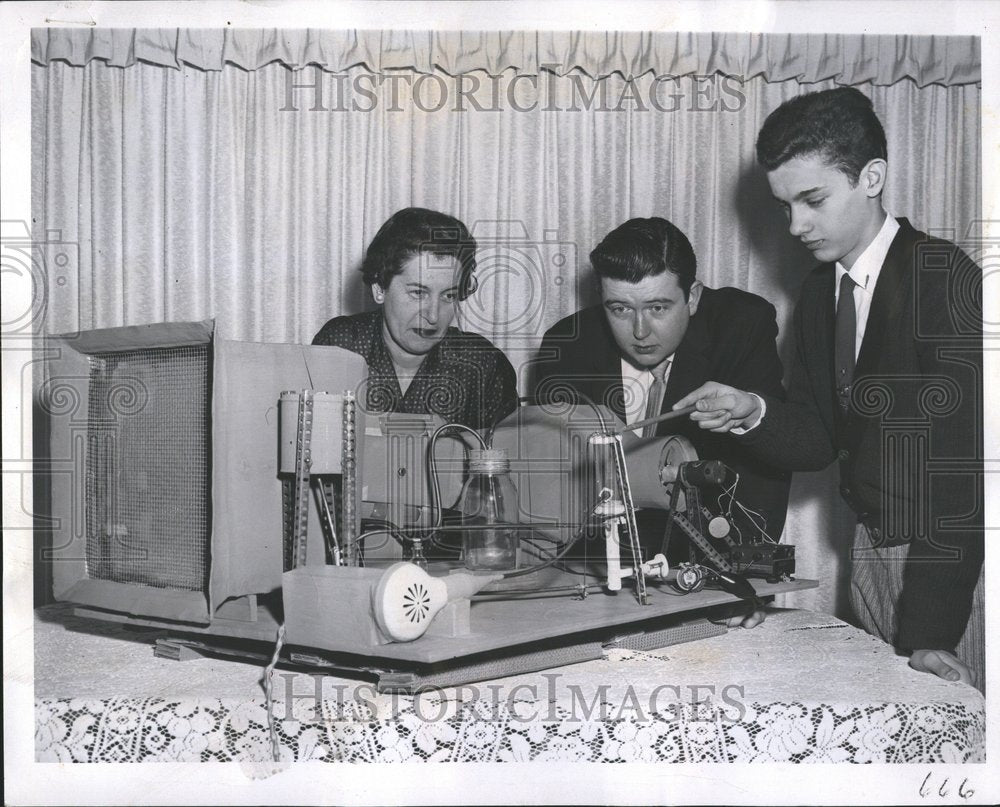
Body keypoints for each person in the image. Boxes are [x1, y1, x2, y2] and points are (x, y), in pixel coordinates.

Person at [674, 87, 984, 689]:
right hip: (871, 554)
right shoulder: (821, 292)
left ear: (872, 177)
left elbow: (961, 474)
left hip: (946, 571)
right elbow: (817, 440)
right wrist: (752, 411)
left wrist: (930, 633)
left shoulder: (941, 279)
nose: (796, 225)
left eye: (813, 199)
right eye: (785, 205)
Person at [530, 216, 792, 579]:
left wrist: (738, 578)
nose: (639, 331)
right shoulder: (567, 346)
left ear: (694, 297)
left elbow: (763, 471)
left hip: (708, 567)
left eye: (658, 308)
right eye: (619, 309)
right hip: (596, 568)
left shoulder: (740, 328)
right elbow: (552, 485)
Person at [313, 207, 518, 431]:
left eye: (448, 296)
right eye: (418, 293)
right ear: (380, 288)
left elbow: (511, 456)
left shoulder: (482, 364)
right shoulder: (341, 345)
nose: (433, 316)